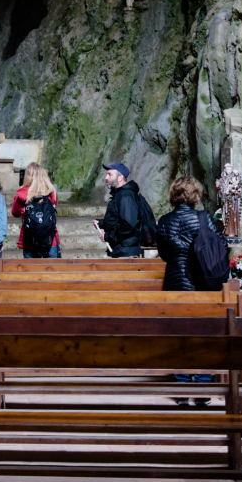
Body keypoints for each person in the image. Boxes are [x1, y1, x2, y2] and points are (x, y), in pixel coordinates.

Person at [156, 175, 213, 404]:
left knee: (178, 334)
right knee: (203, 334)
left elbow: (163, 255)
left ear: (173, 195)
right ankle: (201, 385)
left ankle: (181, 386)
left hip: (174, 282)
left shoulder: (164, 221)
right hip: (198, 283)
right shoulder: (203, 219)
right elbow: (215, 251)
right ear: (195, 196)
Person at [94, 162, 154, 258]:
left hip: (126, 252)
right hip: (120, 250)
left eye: (110, 174)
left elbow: (128, 224)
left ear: (120, 177)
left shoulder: (126, 196)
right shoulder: (120, 194)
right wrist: (102, 223)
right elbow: (120, 219)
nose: (106, 178)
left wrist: (108, 236)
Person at [11, 163, 61, 258]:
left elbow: (15, 213)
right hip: (51, 240)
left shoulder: (21, 196)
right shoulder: (52, 194)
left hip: (30, 241)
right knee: (53, 272)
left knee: (31, 272)